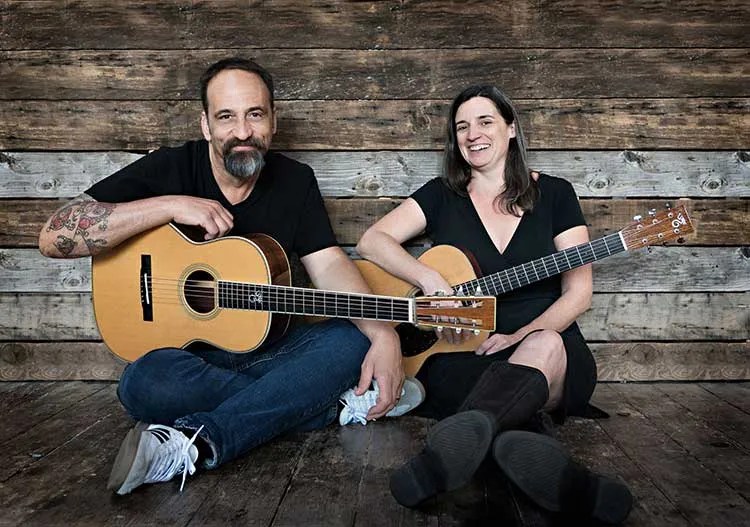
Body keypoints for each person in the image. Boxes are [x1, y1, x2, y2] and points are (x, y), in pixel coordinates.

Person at [37, 57, 413, 495]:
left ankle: (192, 445)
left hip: (274, 351)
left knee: (351, 340)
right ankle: (320, 407)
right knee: (141, 383)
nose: (242, 131)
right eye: (226, 117)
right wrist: (169, 205)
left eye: (255, 114)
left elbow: (329, 265)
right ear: (205, 125)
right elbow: (54, 234)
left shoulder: (296, 181)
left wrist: (385, 336)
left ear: (273, 119)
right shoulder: (169, 169)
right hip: (193, 360)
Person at [355, 85, 632, 524]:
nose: (472, 134)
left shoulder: (556, 194)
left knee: (544, 345)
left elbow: (578, 294)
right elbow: (371, 241)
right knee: (509, 422)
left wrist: (519, 336)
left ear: (510, 129)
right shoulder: (442, 194)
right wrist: (427, 277)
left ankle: (436, 464)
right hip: (463, 350)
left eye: (485, 122)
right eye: (462, 126)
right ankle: (568, 483)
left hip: (547, 348)